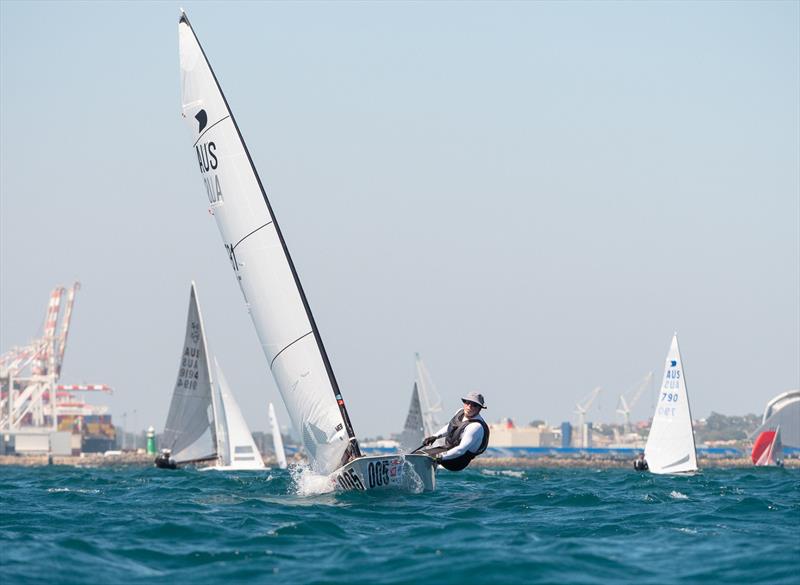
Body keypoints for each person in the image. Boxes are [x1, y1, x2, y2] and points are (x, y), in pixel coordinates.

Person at [419, 391, 490, 471]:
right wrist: (435, 436)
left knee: (426, 458)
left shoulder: (475, 427)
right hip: (448, 449)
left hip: (458, 460)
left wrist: (439, 457)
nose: (469, 406)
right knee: (420, 455)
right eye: (467, 403)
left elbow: (461, 450)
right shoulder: (460, 412)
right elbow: (451, 426)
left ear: (479, 408)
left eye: (474, 405)